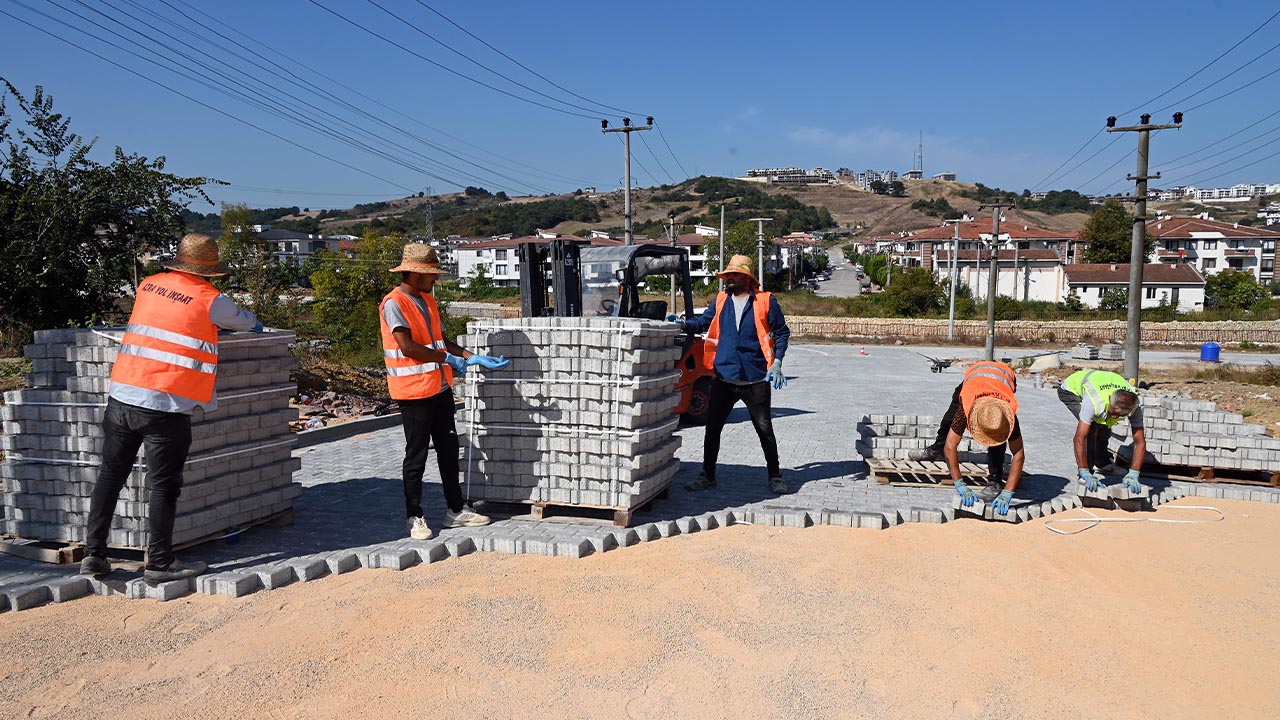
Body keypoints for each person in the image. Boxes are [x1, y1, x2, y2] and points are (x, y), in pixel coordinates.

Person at [81, 233, 263, 584]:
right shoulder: (211, 299)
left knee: (110, 476)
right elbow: (247, 323)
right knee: (163, 485)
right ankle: (160, 564)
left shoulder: (149, 284)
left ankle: (93, 555)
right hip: (165, 404)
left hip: (122, 395)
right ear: (209, 270)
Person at [380, 243, 509, 540]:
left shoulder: (426, 300)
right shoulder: (394, 303)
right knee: (417, 456)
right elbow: (409, 347)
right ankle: (414, 516)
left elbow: (438, 341)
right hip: (413, 393)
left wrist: (468, 355)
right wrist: (448, 359)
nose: (435, 279)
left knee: (449, 450)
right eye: (430, 275)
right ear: (413, 274)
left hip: (438, 388)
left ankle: (455, 510)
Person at [668, 254, 791, 495]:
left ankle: (775, 476)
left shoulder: (765, 301)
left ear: (747, 278)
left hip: (755, 377)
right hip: (724, 377)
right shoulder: (721, 300)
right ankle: (708, 475)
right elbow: (704, 322)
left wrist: (777, 362)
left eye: (735, 275)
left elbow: (782, 333)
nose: (730, 279)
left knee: (764, 427)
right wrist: (682, 324)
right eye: (728, 275)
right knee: (712, 428)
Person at [910, 361, 1026, 516]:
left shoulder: (1006, 416)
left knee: (998, 441)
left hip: (1003, 379)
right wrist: (960, 484)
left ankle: (995, 482)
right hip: (974, 379)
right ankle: (935, 449)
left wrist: (1008, 492)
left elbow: (1018, 453)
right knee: (948, 421)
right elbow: (950, 446)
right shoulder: (966, 408)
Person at [1058, 369, 1146, 494]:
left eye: (1120, 415)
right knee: (1092, 427)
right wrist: (1084, 471)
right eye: (1114, 413)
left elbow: (1140, 441)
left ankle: (1102, 463)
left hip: (1102, 384)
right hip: (1070, 390)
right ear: (1110, 399)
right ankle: (1086, 473)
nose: (1115, 417)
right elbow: (1080, 437)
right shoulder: (1094, 401)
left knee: (1104, 426)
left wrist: (1134, 473)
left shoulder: (1134, 406)